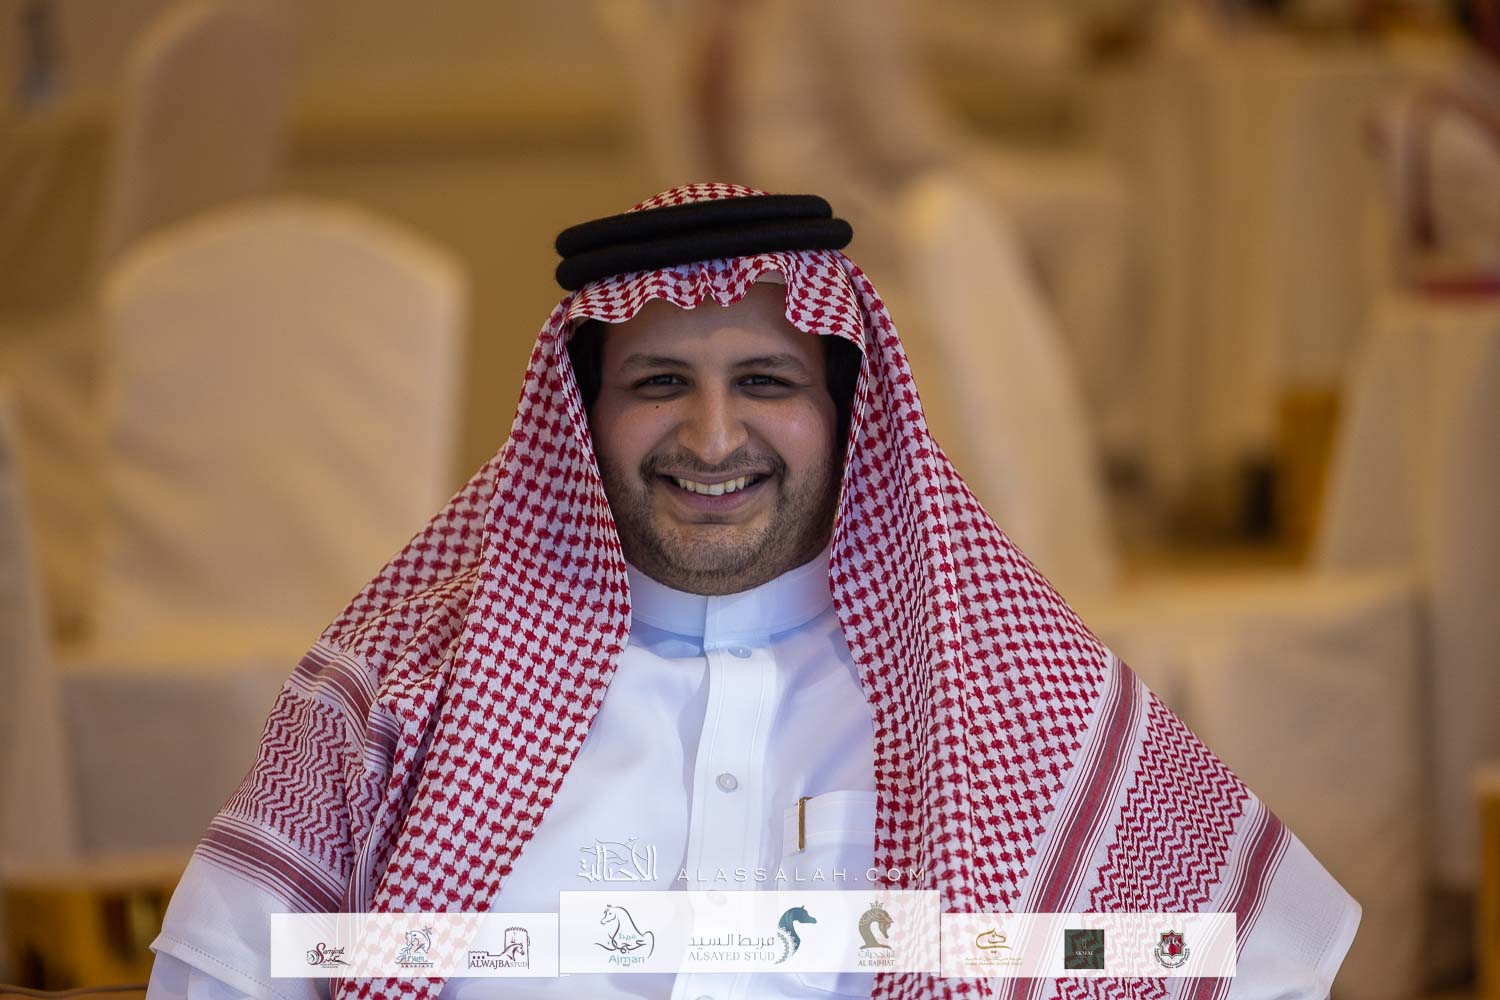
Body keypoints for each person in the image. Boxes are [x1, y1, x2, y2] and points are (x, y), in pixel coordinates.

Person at [145, 184, 1358, 1000]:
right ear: (583, 414)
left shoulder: (1003, 692)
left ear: (844, 408)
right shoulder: (405, 693)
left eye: (767, 380)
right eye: (659, 381)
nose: (714, 436)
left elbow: (1255, 970)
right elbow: (218, 978)